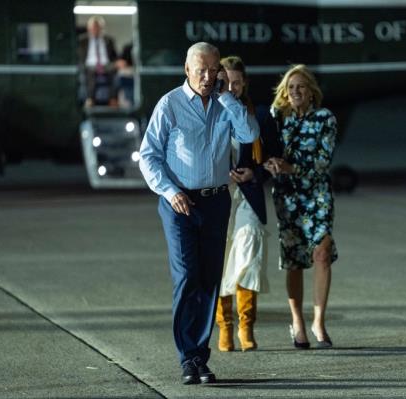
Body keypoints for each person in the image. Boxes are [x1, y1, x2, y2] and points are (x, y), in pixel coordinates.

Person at [138, 42, 259, 385]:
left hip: (216, 200)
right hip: (179, 202)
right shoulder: (170, 104)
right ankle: (187, 356)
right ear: (187, 70)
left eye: (213, 70)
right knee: (187, 276)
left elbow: (250, 134)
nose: (207, 77)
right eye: (201, 70)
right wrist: (170, 190)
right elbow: (148, 156)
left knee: (209, 279)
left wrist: (227, 97)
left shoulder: (225, 104)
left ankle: (199, 358)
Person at [263, 64, 338, 349]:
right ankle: (297, 321)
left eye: (300, 87)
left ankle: (319, 320)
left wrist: (290, 167)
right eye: (290, 87)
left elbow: (323, 161)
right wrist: (268, 163)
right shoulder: (277, 118)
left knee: (321, 253)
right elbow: (263, 147)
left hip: (317, 194)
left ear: (311, 92)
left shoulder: (324, 118)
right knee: (294, 261)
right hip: (288, 196)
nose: (295, 91)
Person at [215, 56, 269, 352]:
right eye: (227, 82)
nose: (232, 88)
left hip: (248, 194)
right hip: (219, 193)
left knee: (248, 258)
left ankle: (246, 326)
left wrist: (254, 172)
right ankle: (225, 327)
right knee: (220, 262)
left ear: (244, 83)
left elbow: (272, 157)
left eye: (237, 82)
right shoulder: (210, 112)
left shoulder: (257, 114)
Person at [77, 16, 117, 107]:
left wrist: (117, 63)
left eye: (97, 27)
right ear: (89, 28)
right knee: (89, 73)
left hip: (106, 65)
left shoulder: (109, 40)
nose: (95, 29)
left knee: (115, 73)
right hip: (89, 65)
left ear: (101, 28)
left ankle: (113, 99)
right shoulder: (82, 41)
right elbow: (79, 58)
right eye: (93, 27)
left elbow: (114, 56)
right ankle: (90, 99)